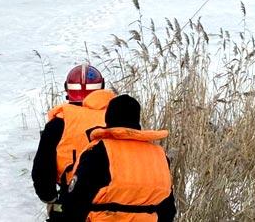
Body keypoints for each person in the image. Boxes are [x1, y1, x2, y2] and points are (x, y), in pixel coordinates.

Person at [62, 94, 176, 222]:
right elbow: (168, 209)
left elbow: (75, 202)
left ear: (107, 118)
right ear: (137, 120)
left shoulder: (98, 151)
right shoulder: (159, 155)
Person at [32, 64, 115, 221]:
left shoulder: (59, 123)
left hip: (70, 203)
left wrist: (50, 199)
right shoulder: (117, 118)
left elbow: (42, 169)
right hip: (115, 202)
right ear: (102, 87)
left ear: (67, 89)